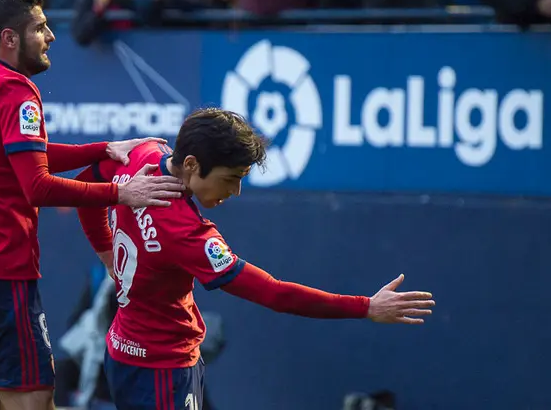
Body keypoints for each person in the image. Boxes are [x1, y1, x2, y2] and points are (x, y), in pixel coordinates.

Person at [74, 108, 436, 409]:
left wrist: (107, 254)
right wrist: (365, 307)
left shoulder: (141, 154)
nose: (236, 191)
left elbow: (86, 190)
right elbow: (274, 293)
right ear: (190, 163)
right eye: (230, 178)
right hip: (164, 369)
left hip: (121, 353)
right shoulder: (189, 234)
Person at [0, 0, 186, 410]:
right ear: (10, 38)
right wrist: (122, 192)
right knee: (35, 403)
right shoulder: (15, 89)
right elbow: (38, 186)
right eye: (40, 28)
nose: (51, 36)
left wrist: (101, 149)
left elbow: (19, 156)